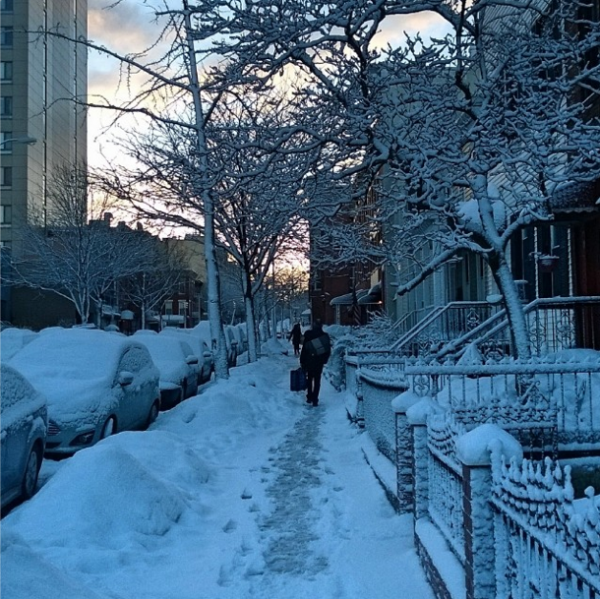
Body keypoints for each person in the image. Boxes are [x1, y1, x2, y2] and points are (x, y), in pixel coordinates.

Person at [300, 319, 331, 407]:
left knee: (309, 379)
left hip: (309, 361)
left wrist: (302, 361)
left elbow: (304, 350)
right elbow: (328, 350)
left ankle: (309, 396)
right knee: (317, 381)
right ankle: (315, 399)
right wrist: (324, 360)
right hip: (319, 362)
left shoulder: (309, 335)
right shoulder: (325, 336)